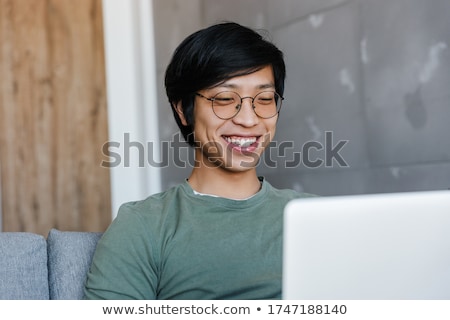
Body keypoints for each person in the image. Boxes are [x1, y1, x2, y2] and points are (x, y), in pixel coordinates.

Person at [84, 22, 314, 300]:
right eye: (225, 98)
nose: (249, 119)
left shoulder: (314, 216)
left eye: (265, 98)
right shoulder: (144, 225)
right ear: (183, 110)